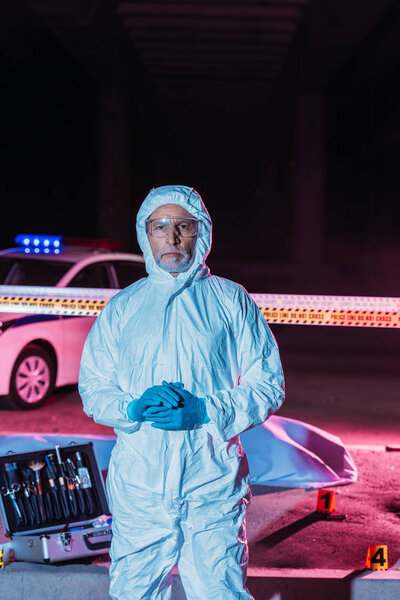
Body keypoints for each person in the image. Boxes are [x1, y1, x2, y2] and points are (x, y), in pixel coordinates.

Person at [78, 184, 285, 600]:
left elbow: (268, 383)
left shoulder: (230, 301)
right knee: (134, 593)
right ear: (145, 233)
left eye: (183, 226)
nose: (171, 238)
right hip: (140, 483)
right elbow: (95, 385)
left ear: (201, 232)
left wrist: (207, 411)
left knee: (220, 591)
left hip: (210, 480)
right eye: (160, 226)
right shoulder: (124, 307)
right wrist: (132, 407)